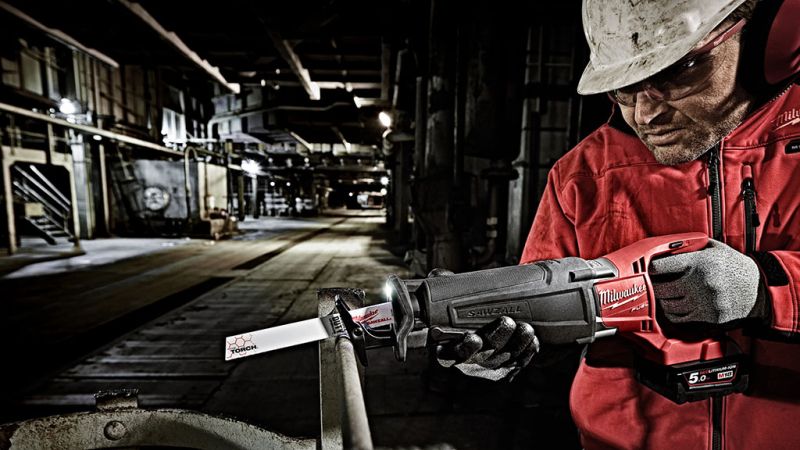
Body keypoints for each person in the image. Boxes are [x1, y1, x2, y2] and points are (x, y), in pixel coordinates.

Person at [436, 0, 800, 448]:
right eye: (624, 89)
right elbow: (544, 327)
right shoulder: (582, 175)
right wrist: (509, 347)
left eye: (677, 72)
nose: (645, 115)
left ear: (770, 37)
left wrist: (768, 291)